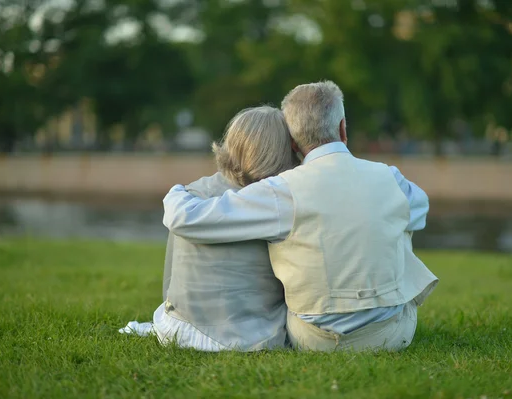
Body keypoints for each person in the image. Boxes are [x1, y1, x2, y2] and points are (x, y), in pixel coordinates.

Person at [162, 81, 438, 352]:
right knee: (397, 227)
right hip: (392, 333)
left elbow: (186, 218)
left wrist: (179, 190)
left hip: (316, 338)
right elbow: (419, 213)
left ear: (292, 142)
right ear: (343, 128)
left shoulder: (281, 192)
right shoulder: (390, 177)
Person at [155, 106, 298, 351]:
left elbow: (170, 276)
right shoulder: (278, 205)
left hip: (179, 329)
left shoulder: (189, 193)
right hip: (252, 336)